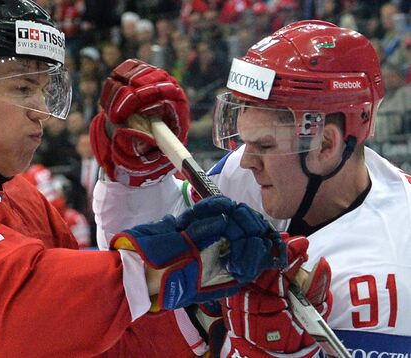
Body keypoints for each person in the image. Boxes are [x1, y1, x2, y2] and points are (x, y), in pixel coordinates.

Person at [0, 0, 286, 356]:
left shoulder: (23, 198)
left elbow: (93, 339)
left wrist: (198, 311)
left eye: (47, 91)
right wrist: (165, 264)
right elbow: (15, 316)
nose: (41, 110)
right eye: (24, 88)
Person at [91, 20, 411, 357]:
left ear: (326, 144)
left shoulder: (395, 263)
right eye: (245, 142)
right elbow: (135, 262)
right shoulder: (247, 178)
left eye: (266, 145)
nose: (246, 162)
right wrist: (137, 177)